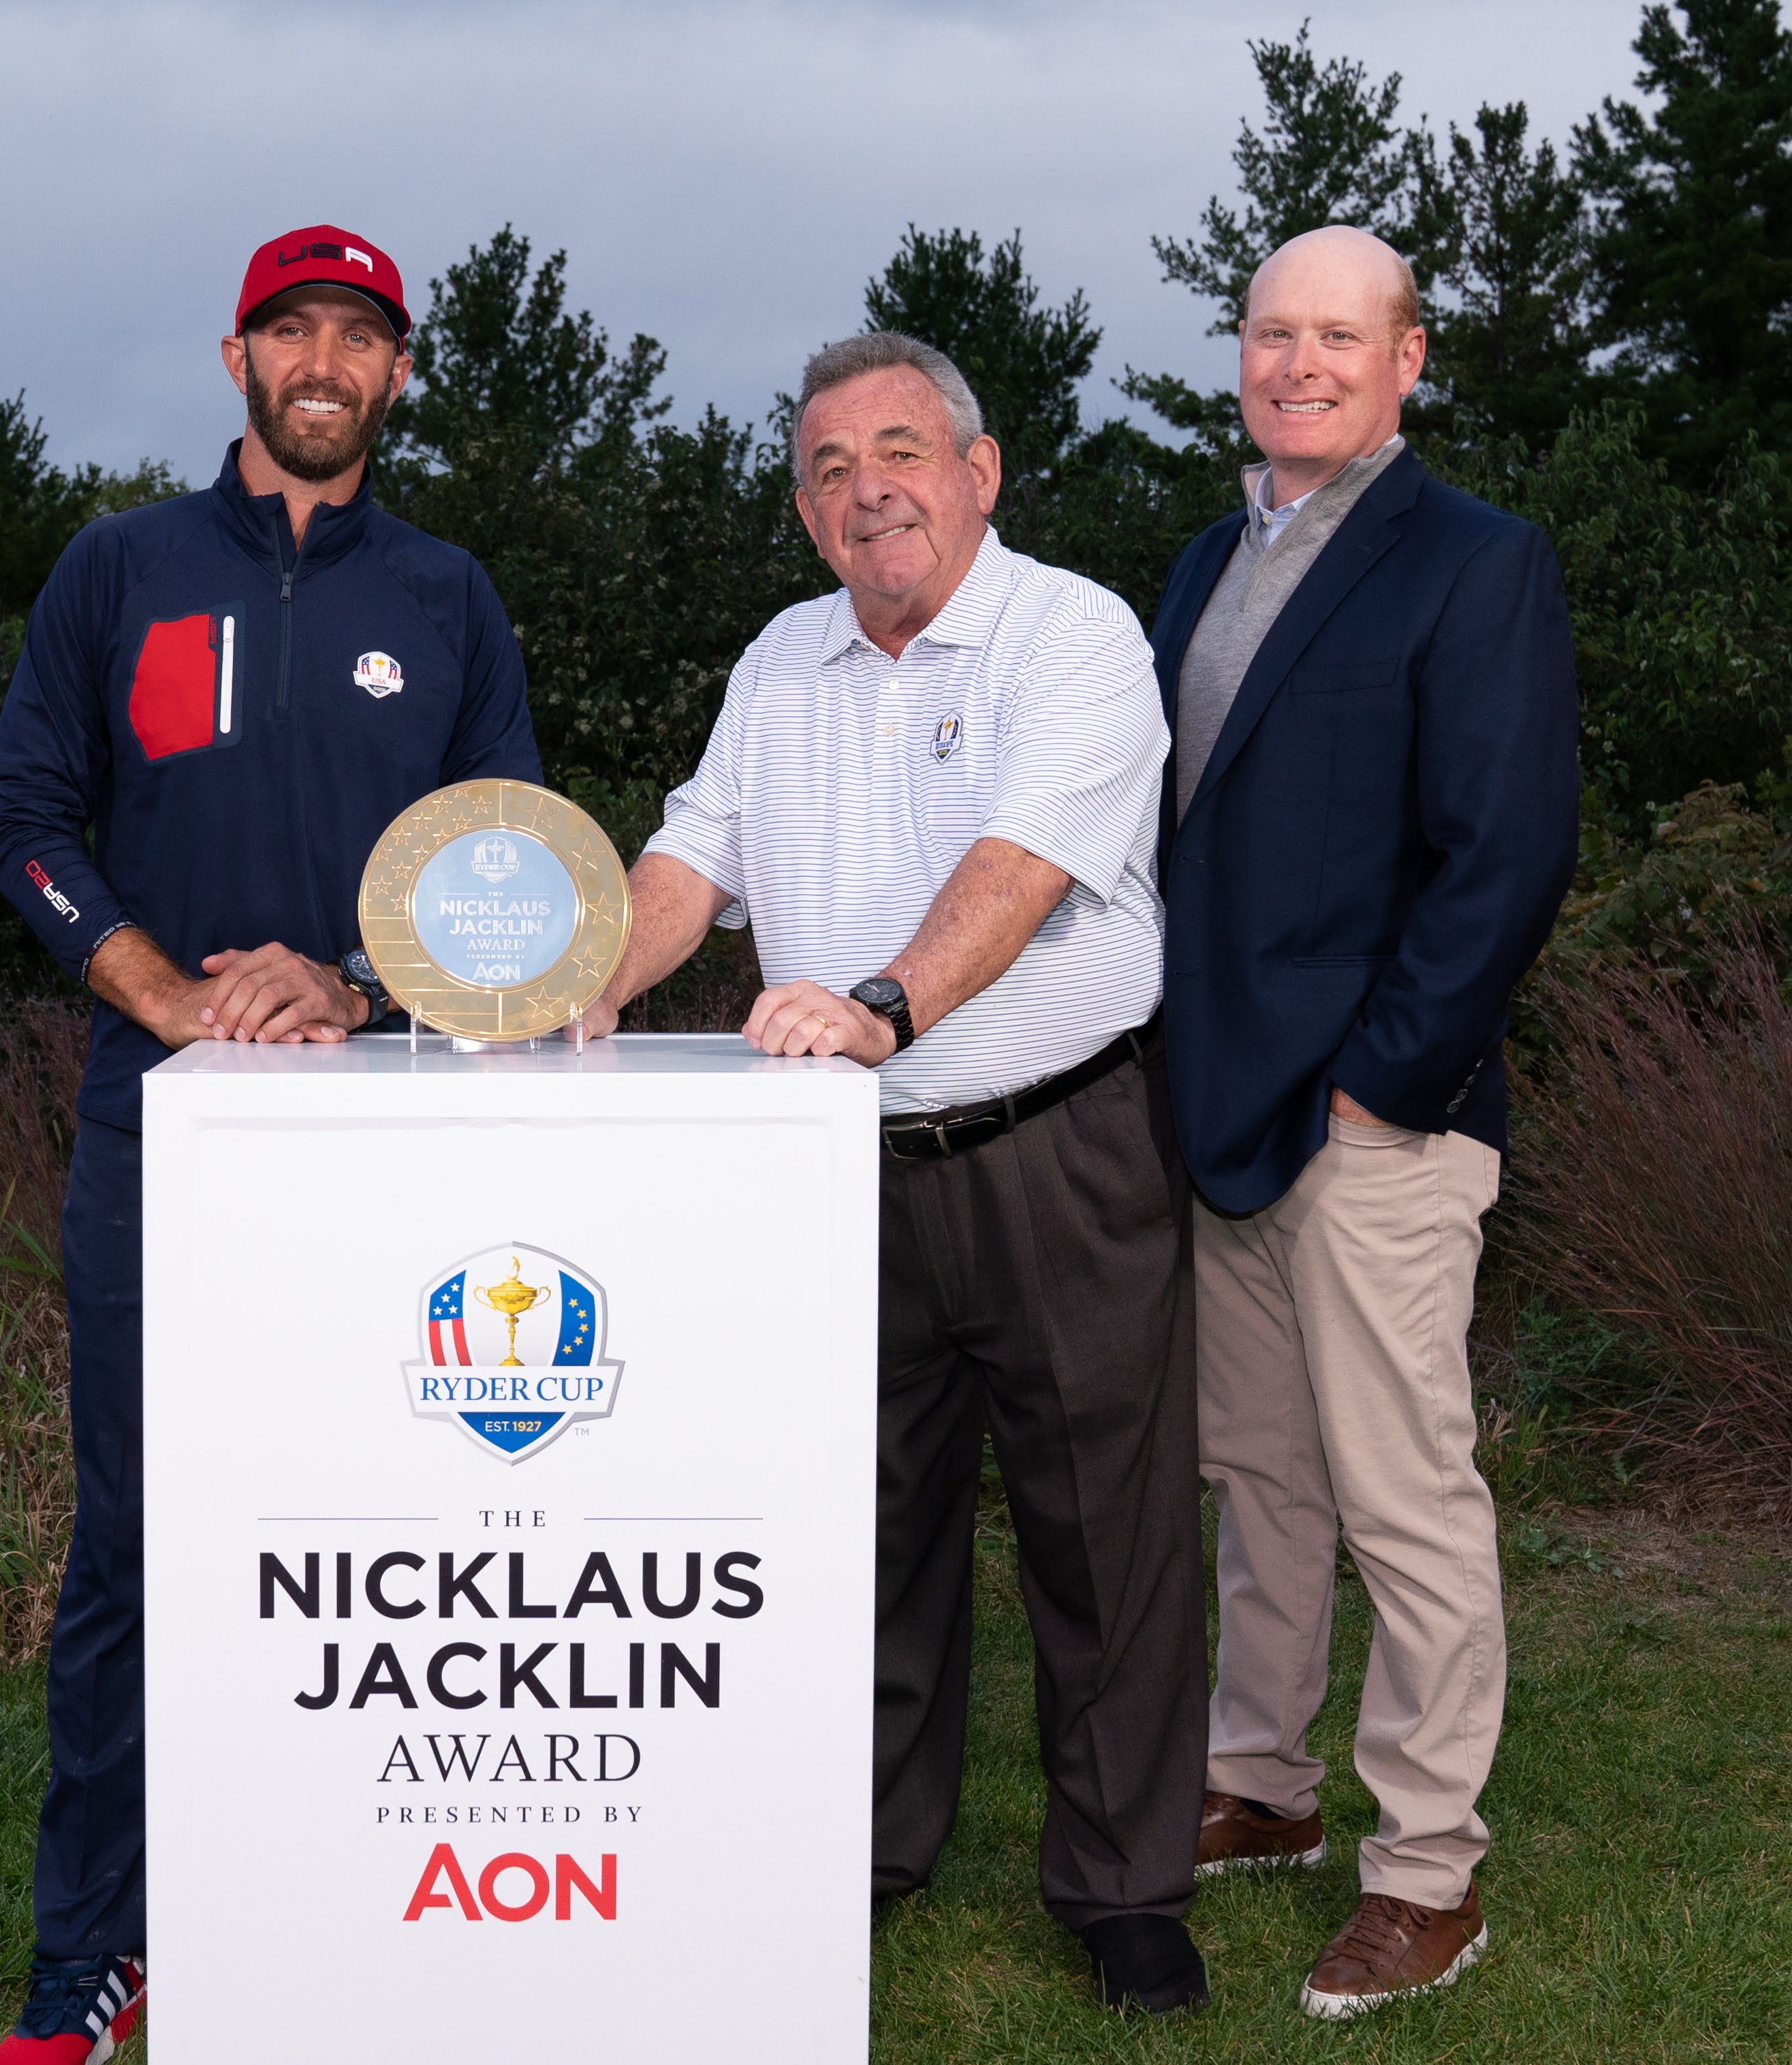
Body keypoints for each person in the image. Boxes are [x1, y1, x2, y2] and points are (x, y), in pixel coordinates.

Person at [585, 331, 1209, 2014]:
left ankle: (1124, 1887)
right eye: (828, 469)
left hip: (1055, 1145)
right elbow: (688, 860)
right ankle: (855, 1852)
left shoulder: (1072, 636)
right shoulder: (778, 662)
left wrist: (880, 1005)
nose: (868, 489)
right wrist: (579, 985)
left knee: (1105, 1532)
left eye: (899, 450)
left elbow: (1016, 872)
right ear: (803, 516)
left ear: (977, 471)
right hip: (830, 1174)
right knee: (856, 1529)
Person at [0, 223, 542, 2065]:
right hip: (164, 1135)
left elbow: (507, 888)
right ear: (236, 359)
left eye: (356, 338)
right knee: (139, 1555)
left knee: (383, 1552)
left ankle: (336, 1918)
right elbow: (26, 819)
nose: (323, 363)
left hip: (391, 1158)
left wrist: (359, 996)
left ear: (395, 376)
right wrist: (156, 988)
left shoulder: (449, 596)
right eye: (290, 330)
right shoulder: (117, 568)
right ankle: (95, 1955)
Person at [1146, 224, 1579, 2018]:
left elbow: (1506, 859)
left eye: (1339, 334)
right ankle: (1261, 1784)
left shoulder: (1473, 565)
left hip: (1377, 1122)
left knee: (1403, 1496)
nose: (1297, 362)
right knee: (1262, 1481)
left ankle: (1427, 1872)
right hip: (1215, 1113)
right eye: (1269, 332)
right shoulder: (1200, 562)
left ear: (1410, 359)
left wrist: (1376, 1090)